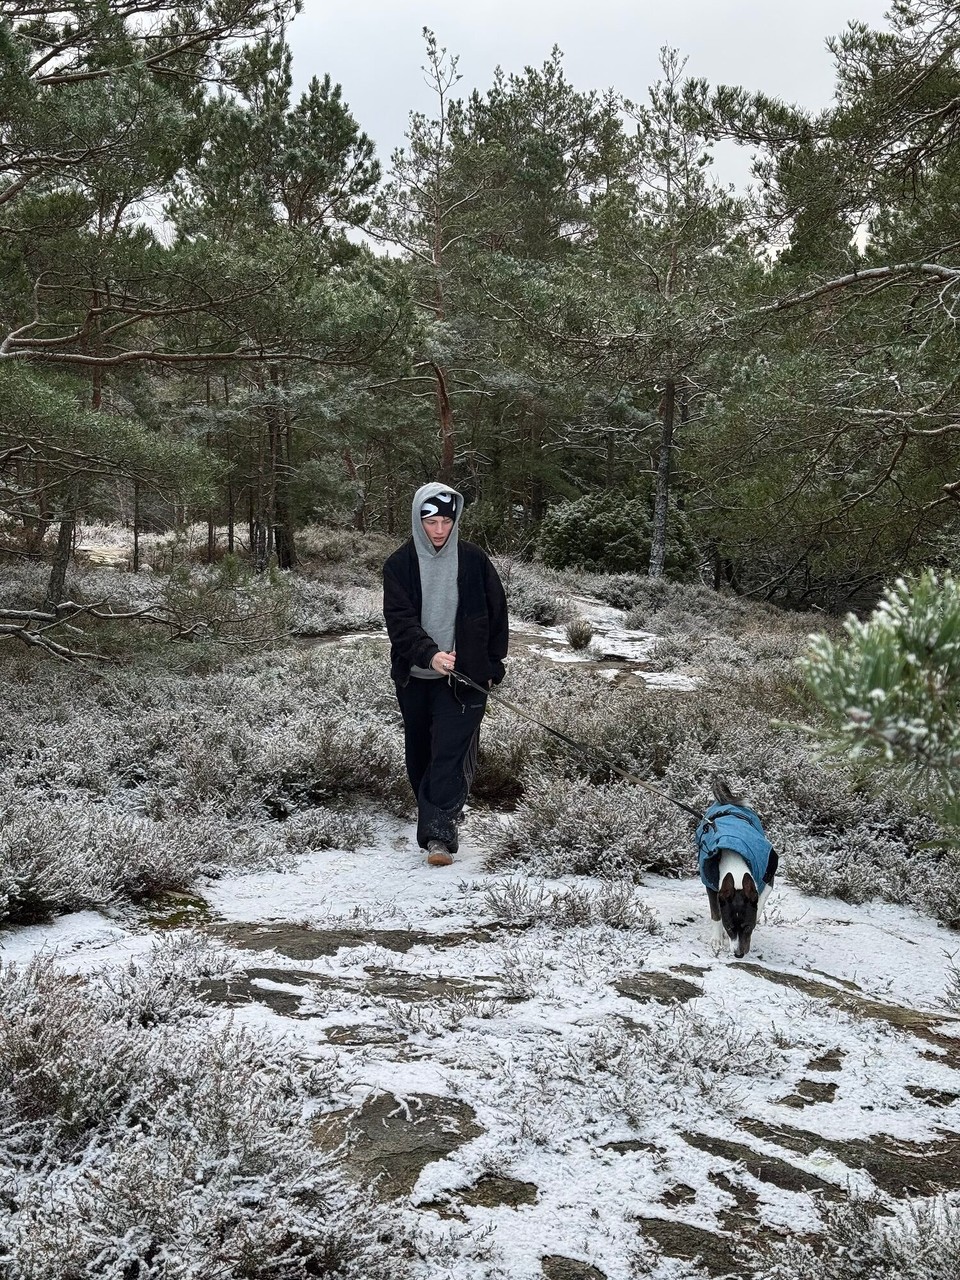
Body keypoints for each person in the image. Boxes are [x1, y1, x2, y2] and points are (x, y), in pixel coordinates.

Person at [383, 482, 508, 866]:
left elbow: (496, 614)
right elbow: (399, 623)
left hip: (465, 681)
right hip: (416, 678)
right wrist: (431, 655)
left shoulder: (473, 560)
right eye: (432, 521)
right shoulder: (399, 565)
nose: (439, 529)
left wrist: (491, 664)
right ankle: (437, 811)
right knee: (421, 756)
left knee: (450, 756)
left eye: (446, 521)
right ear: (418, 520)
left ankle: (439, 836)